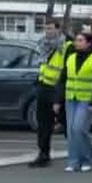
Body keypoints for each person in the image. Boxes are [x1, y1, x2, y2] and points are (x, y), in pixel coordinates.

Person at [55, 32, 92, 172]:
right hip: (71, 97)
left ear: (88, 43)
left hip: (86, 99)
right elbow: (62, 80)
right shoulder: (70, 58)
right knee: (71, 130)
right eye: (76, 40)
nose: (77, 43)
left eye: (80, 40)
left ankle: (88, 158)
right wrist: (58, 100)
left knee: (79, 129)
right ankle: (73, 161)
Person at [29, 20, 73, 168]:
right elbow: (42, 65)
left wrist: (60, 95)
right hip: (43, 88)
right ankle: (43, 154)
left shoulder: (67, 46)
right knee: (43, 125)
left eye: (50, 28)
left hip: (59, 90)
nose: (47, 31)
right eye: (45, 28)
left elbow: (68, 69)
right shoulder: (42, 45)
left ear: (58, 30)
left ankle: (75, 153)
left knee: (67, 124)